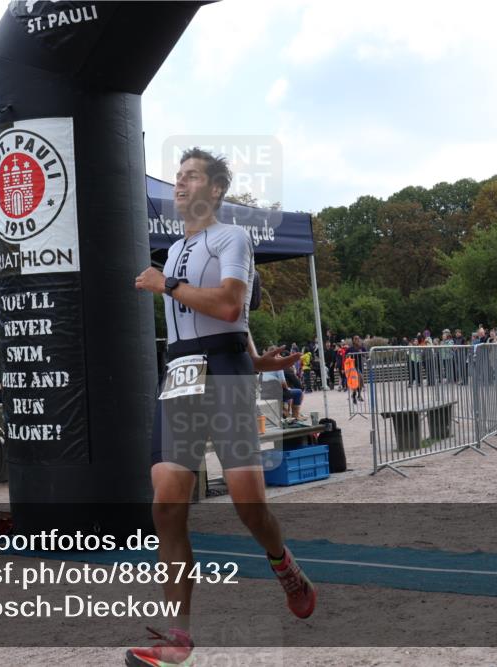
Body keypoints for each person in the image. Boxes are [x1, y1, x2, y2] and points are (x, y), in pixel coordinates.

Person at [130, 148, 314, 667]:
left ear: (215, 190)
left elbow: (231, 305)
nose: (180, 185)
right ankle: (177, 637)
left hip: (223, 374)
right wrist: (260, 361)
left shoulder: (232, 237)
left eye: (191, 177)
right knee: (166, 505)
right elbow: (217, 325)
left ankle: (284, 566)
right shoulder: (174, 251)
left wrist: (163, 284)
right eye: (178, 178)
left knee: (248, 504)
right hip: (182, 376)